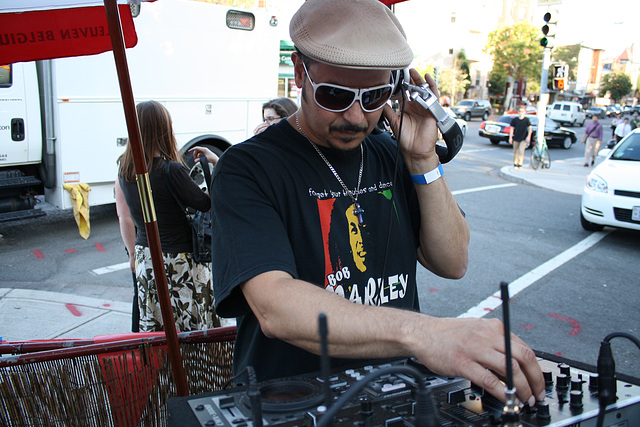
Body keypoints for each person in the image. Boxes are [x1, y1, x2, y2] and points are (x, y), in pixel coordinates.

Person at [202, 0, 544, 407]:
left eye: (374, 95)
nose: (355, 116)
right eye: (334, 94)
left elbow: (453, 262)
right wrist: (426, 333)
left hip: (394, 393)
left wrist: (423, 159)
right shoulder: (248, 167)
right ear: (299, 72)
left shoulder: (391, 152)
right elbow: (276, 305)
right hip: (292, 400)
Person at [115, 100, 221, 332]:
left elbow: (124, 215)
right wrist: (214, 161)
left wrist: (132, 253)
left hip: (146, 256)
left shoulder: (124, 169)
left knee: (157, 324)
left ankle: (164, 369)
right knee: (190, 324)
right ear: (164, 128)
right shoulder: (170, 169)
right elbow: (208, 205)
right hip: (179, 260)